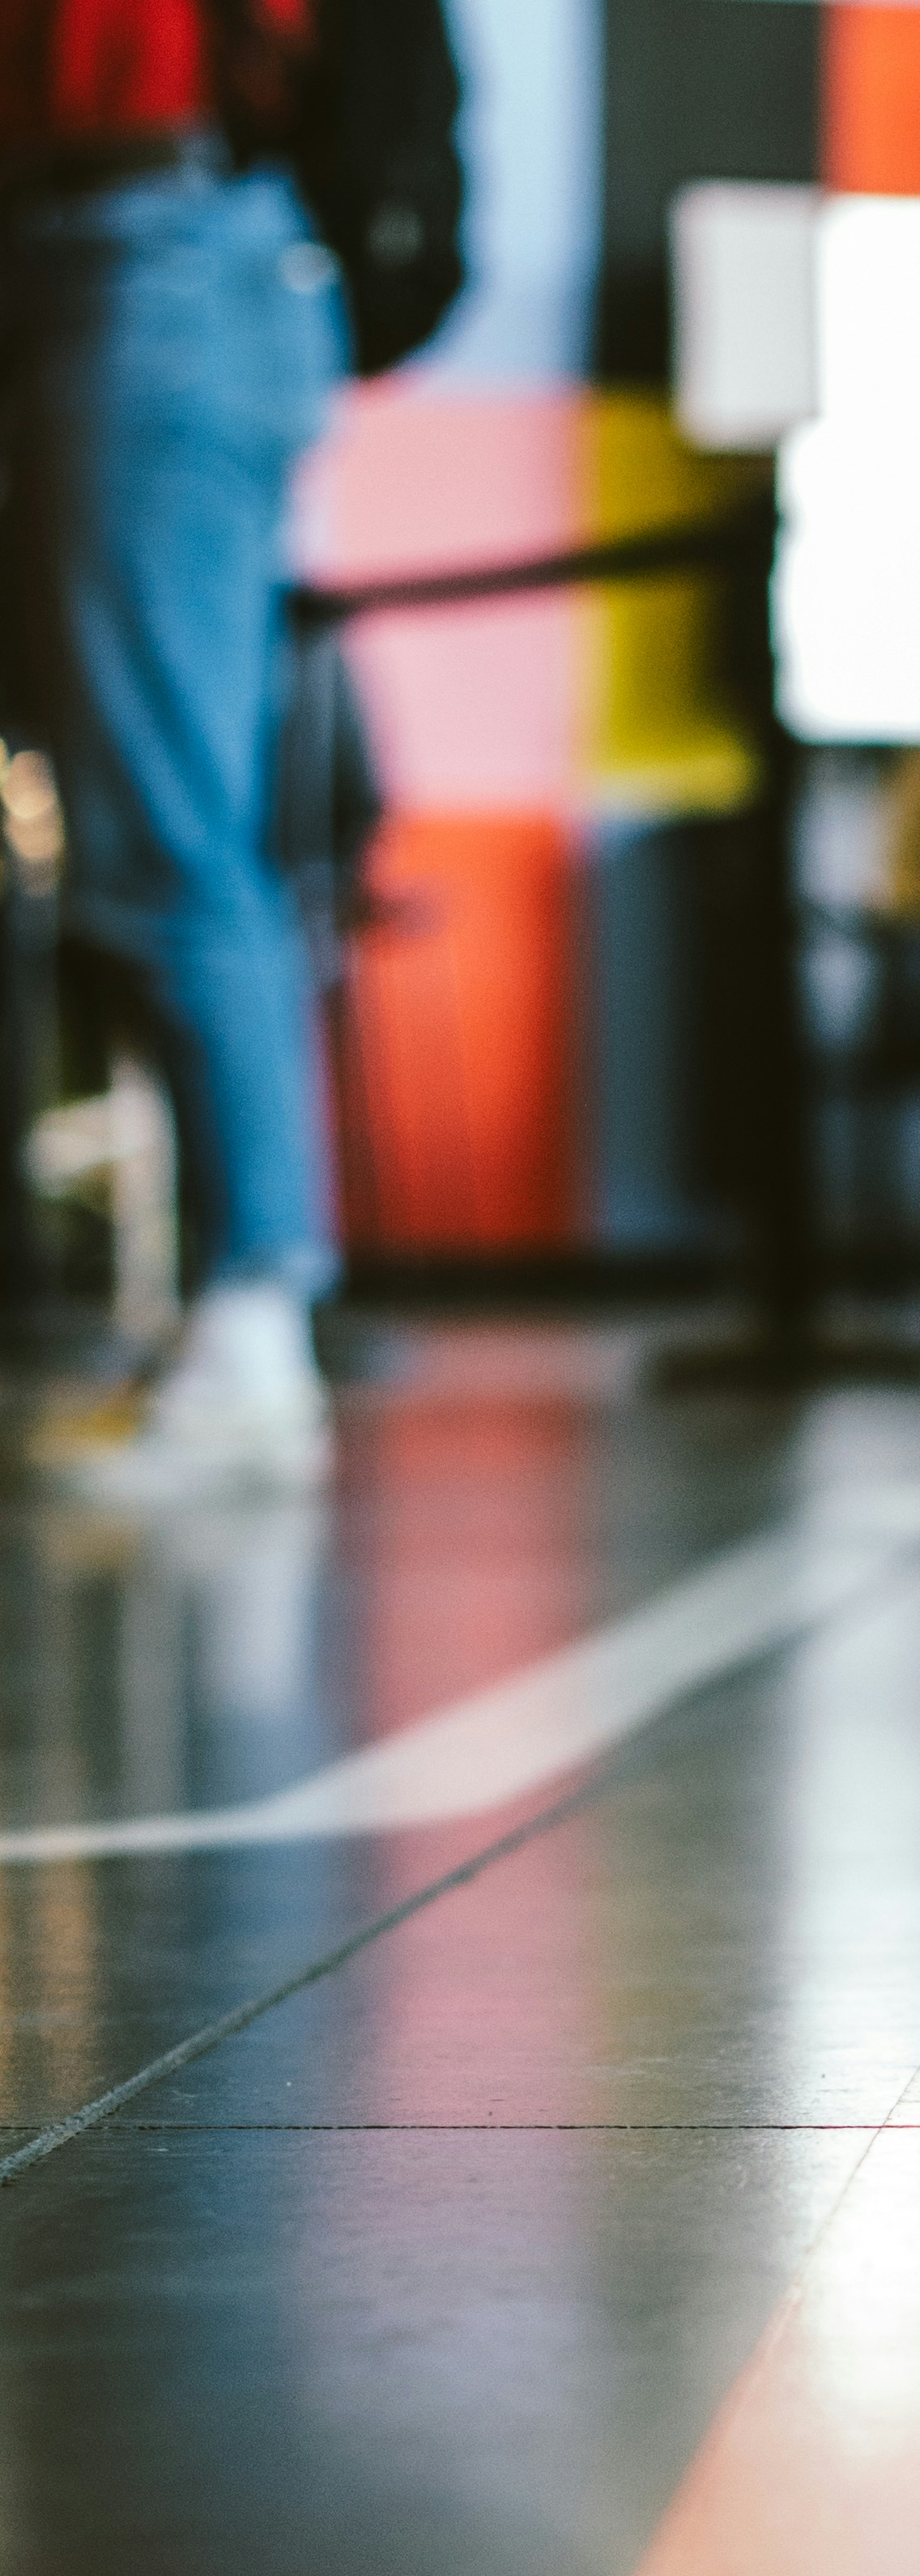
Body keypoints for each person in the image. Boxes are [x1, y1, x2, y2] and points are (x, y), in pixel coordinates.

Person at [0, 0, 347, 1498]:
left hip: (147, 250)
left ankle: (258, 1318)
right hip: (142, 258)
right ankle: (234, 1314)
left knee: (168, 832)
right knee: (155, 818)